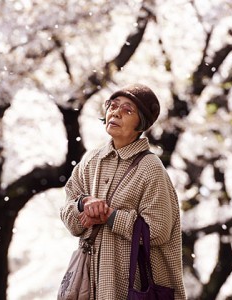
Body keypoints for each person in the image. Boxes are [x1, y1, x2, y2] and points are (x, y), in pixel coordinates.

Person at [60, 83, 186, 300]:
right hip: (90, 286)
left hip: (133, 288)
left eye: (128, 110)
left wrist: (110, 217)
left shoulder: (150, 168)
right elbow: (69, 217)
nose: (116, 112)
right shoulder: (90, 160)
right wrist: (83, 205)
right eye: (113, 105)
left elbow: (158, 230)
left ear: (141, 123)